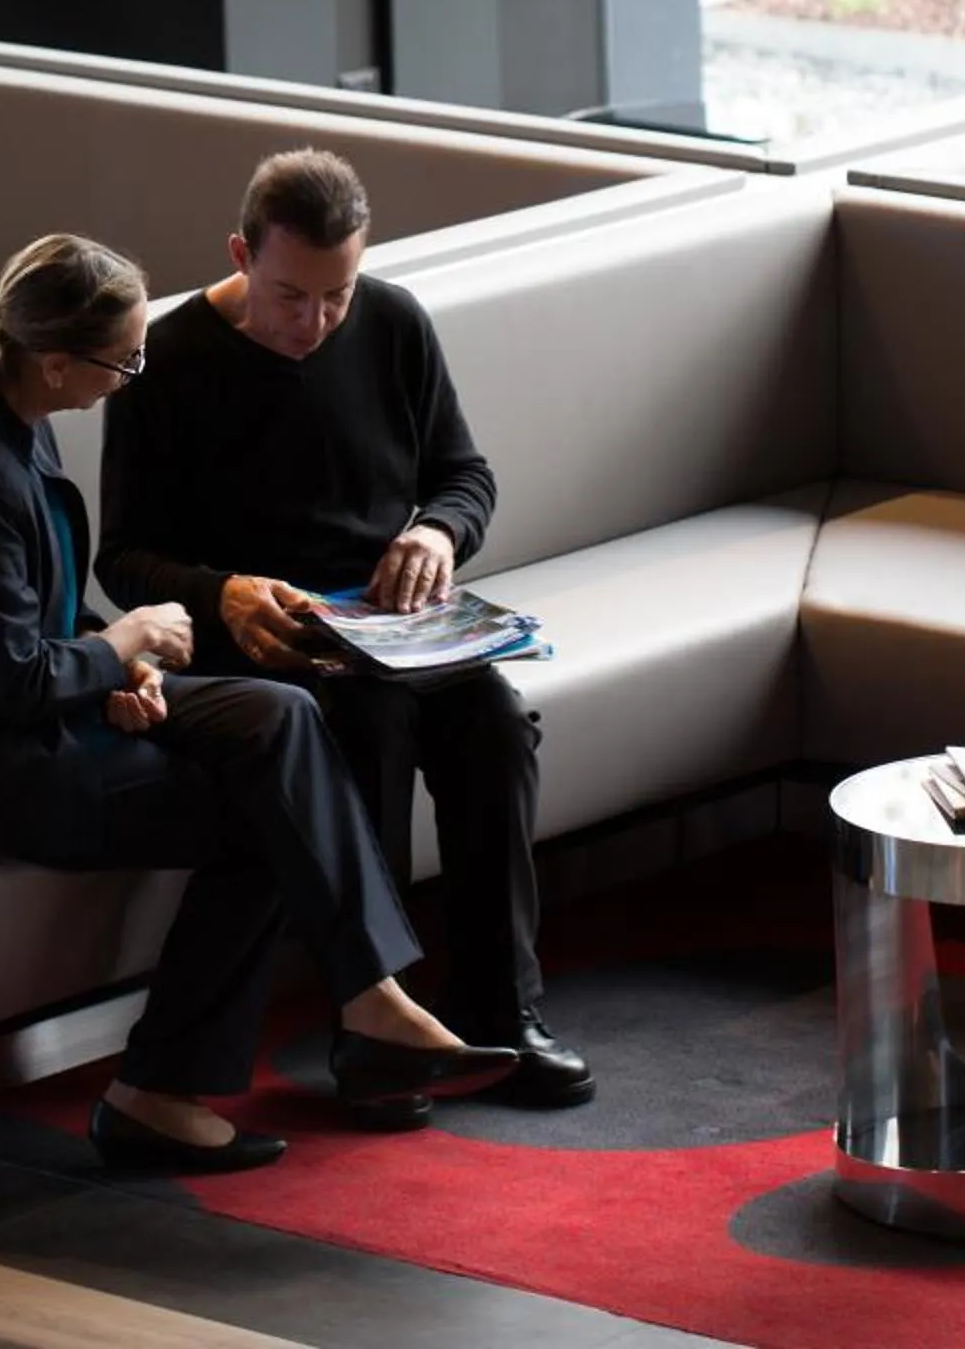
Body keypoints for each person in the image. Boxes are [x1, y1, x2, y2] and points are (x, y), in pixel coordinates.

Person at [0, 232, 516, 1171]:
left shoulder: (12, 406)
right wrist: (125, 642)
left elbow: (28, 620)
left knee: (279, 713)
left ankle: (371, 999)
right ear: (59, 359)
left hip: (13, 711)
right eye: (124, 357)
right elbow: (12, 681)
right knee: (267, 811)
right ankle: (161, 1091)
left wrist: (120, 673)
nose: (134, 373)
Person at [96, 151, 593, 1116]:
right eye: (291, 295)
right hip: (265, 639)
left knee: (494, 722)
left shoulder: (395, 322)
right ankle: (373, 1028)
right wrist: (223, 589)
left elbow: (465, 476)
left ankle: (500, 1012)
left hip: (395, 626)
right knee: (365, 728)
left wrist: (434, 532)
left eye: (339, 293)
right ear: (241, 254)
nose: (316, 321)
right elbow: (123, 559)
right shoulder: (169, 361)